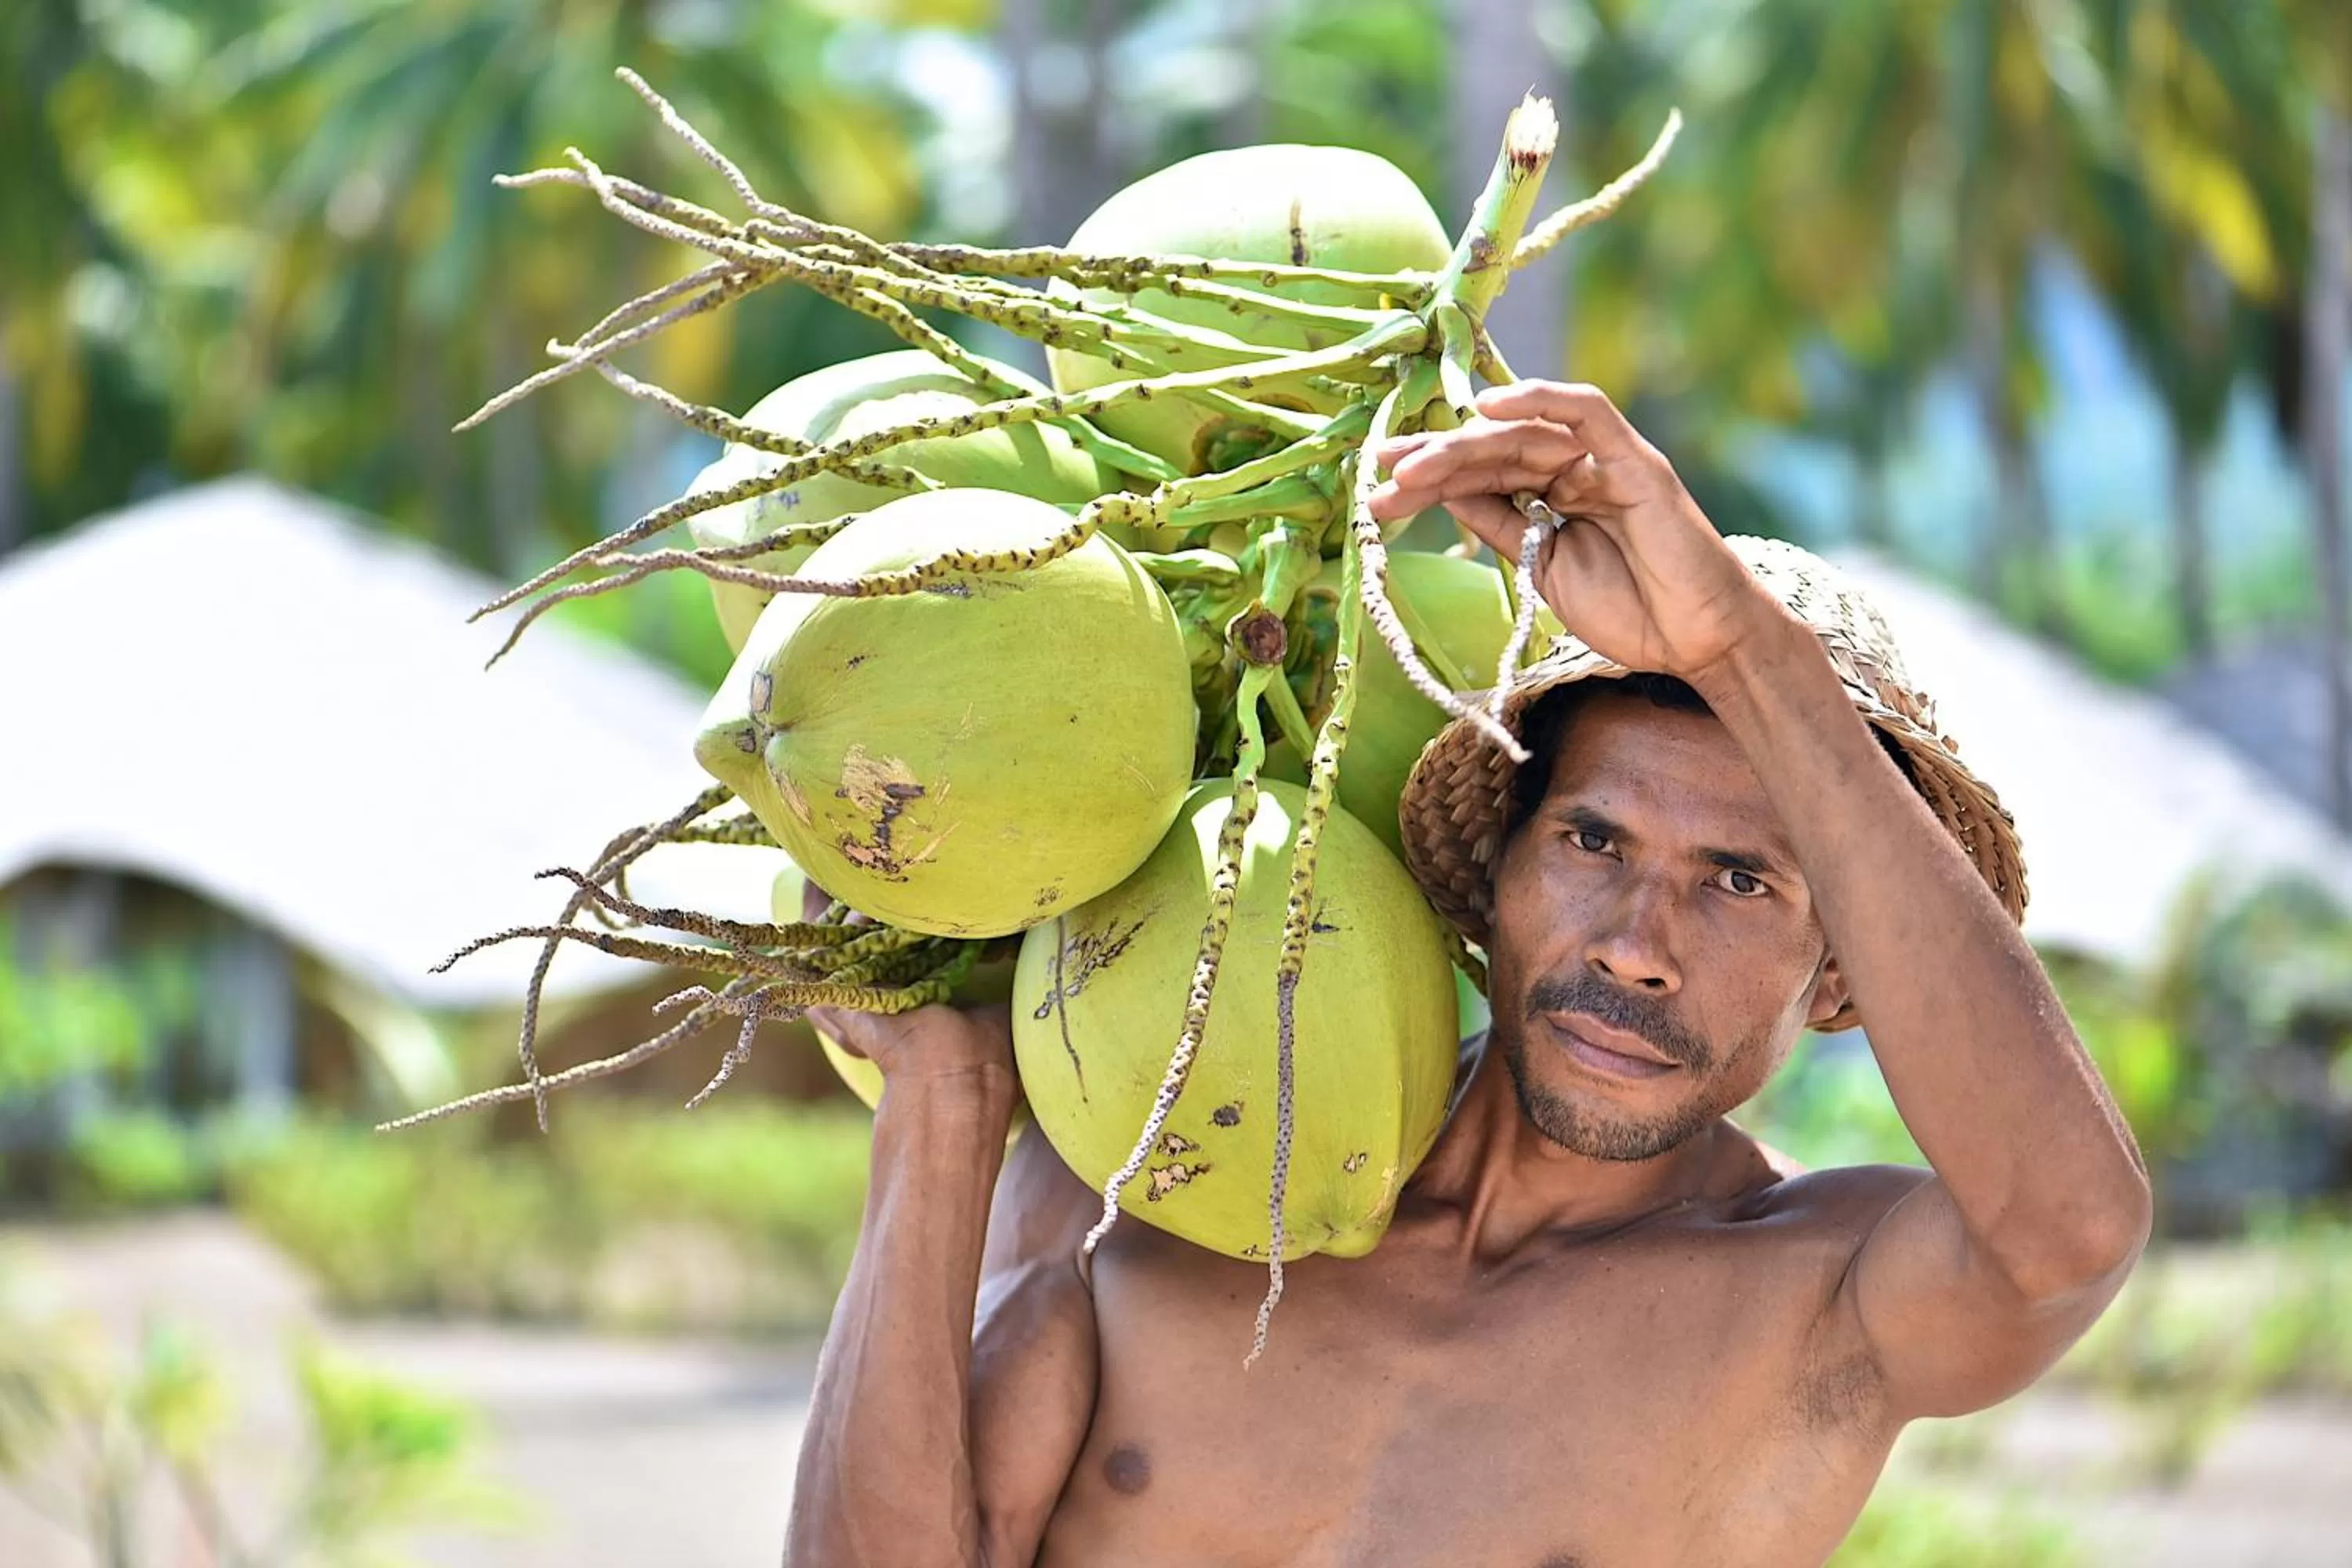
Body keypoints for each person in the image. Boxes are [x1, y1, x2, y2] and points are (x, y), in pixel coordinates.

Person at [785, 380, 2152, 1567]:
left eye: (1742, 882)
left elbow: (2067, 1235)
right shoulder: (1157, 1177)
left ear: (1848, 972)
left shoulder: (1813, 1308)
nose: (1635, 944)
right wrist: (942, 1114)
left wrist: (1741, 648)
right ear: (1495, 865)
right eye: (1592, 839)